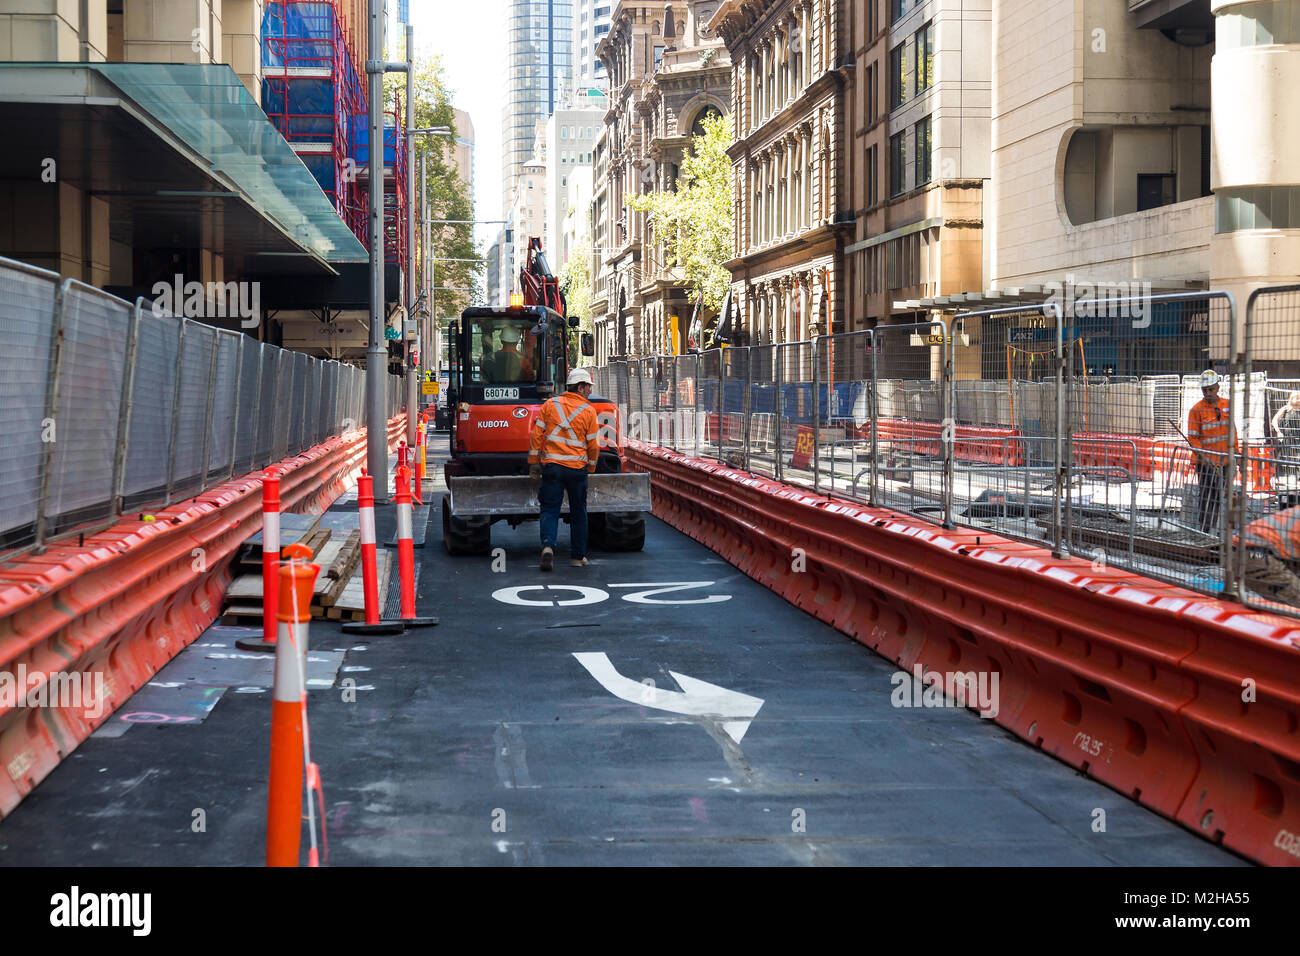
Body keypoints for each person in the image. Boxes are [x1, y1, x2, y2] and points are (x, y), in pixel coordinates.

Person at [529, 367, 600, 570]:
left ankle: (548, 546)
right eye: (587, 387)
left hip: (552, 467)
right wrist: (592, 467)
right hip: (577, 469)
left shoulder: (550, 405)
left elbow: (537, 435)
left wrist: (534, 462)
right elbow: (593, 445)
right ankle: (577, 557)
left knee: (550, 509)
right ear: (580, 387)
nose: (589, 391)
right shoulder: (588, 411)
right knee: (579, 511)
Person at [1187, 369, 1234, 535]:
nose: (1208, 393)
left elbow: (1232, 432)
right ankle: (1206, 533)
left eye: (1210, 389)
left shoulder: (1228, 405)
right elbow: (1193, 438)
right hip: (1206, 465)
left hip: (1226, 462)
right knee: (1208, 499)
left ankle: (1225, 532)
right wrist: (1204, 457)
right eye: (1204, 390)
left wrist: (1235, 455)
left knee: (1227, 497)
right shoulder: (1196, 410)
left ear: (1217, 387)